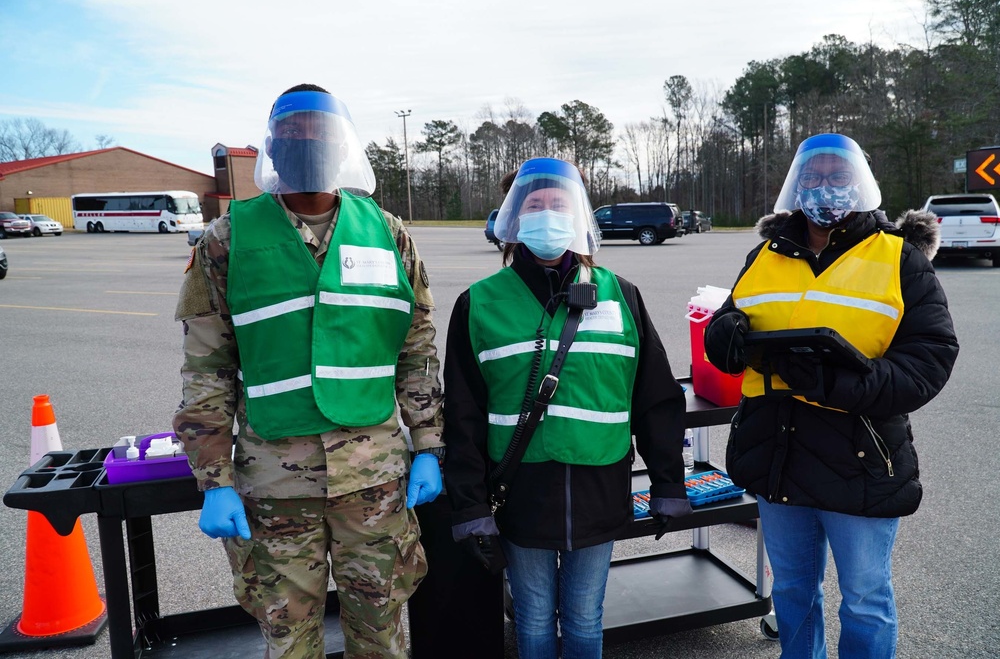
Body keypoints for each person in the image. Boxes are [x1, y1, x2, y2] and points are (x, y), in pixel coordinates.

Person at [172, 84, 445, 659]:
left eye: (317, 134)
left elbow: (415, 348)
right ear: (273, 147)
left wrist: (427, 445)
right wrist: (214, 480)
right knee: (288, 636)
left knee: (381, 631)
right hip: (274, 480)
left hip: (374, 477)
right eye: (291, 136)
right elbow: (208, 370)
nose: (305, 145)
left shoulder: (388, 233)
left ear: (340, 145)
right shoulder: (227, 240)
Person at [704, 133, 959, 659]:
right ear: (796, 185)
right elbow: (734, 319)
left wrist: (840, 386)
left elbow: (930, 357)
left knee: (865, 599)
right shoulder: (765, 255)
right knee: (794, 592)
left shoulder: (899, 258)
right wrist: (722, 332)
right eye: (813, 177)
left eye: (837, 177)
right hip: (778, 456)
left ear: (860, 183)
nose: (824, 188)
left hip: (860, 458)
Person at [444, 157, 692, 659]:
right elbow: (463, 415)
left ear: (578, 214)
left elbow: (655, 398)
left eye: (558, 203)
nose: (547, 213)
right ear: (512, 218)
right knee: (533, 620)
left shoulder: (621, 296)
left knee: (584, 618)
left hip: (599, 489)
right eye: (534, 204)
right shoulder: (478, 303)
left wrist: (669, 483)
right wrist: (470, 506)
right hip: (520, 494)